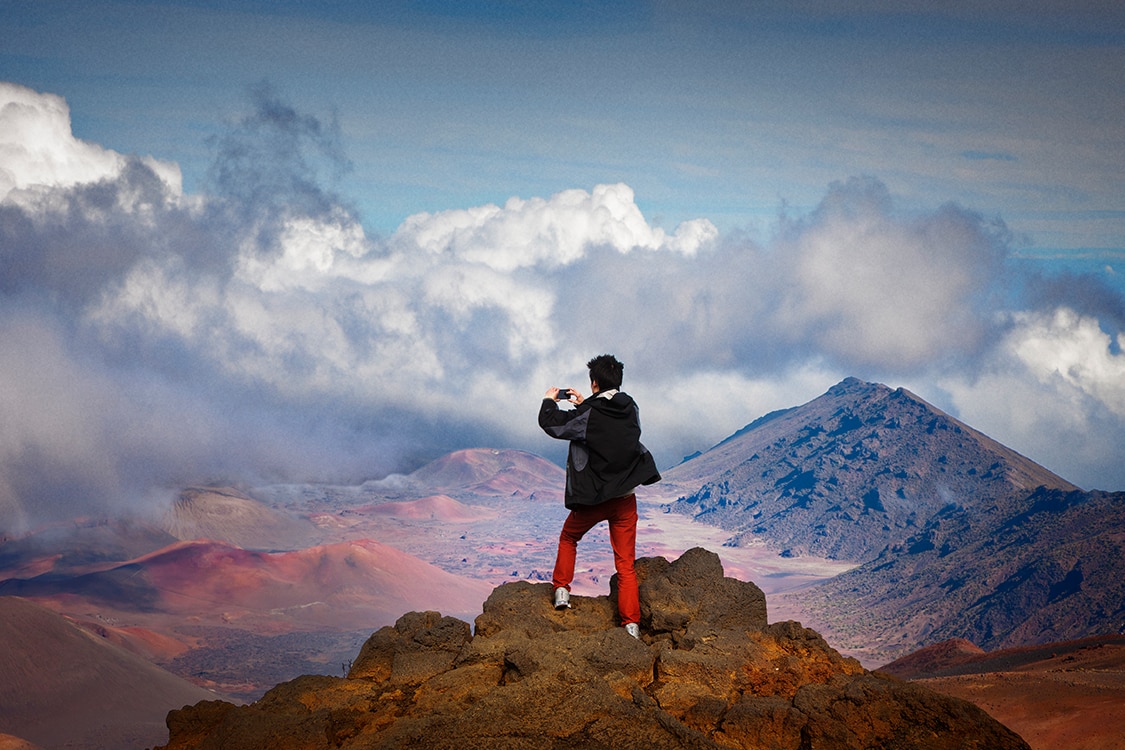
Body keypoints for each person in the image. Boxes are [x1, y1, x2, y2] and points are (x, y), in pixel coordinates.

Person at [538, 354, 661, 638]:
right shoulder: (631, 407)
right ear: (617, 380)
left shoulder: (588, 414)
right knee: (625, 564)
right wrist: (586, 404)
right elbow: (608, 425)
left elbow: (553, 424)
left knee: (569, 537)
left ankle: (561, 592)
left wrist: (549, 399)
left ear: (594, 383)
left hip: (595, 499)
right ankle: (631, 626)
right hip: (625, 499)